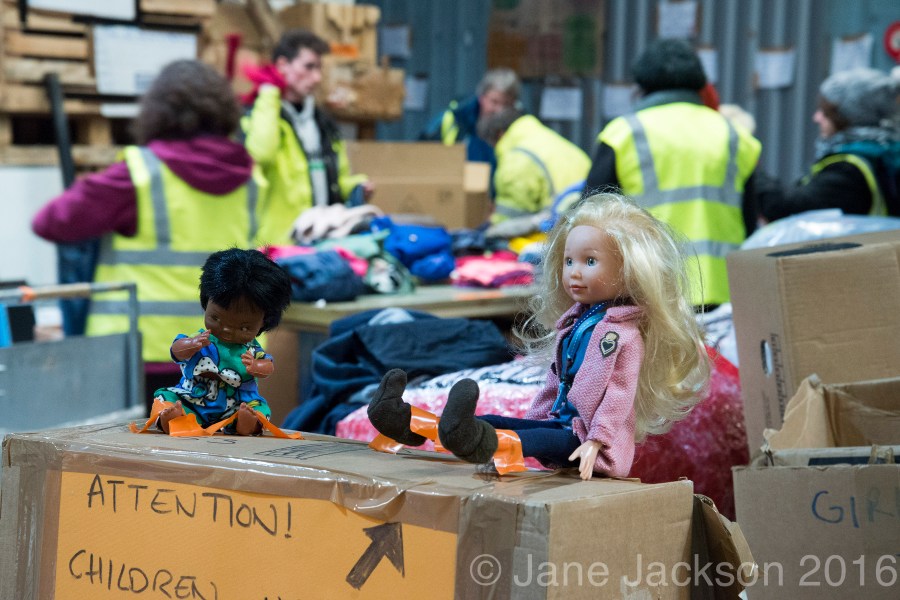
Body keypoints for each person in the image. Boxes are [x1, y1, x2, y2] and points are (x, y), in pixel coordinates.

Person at [368, 193, 710, 480]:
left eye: (590, 261)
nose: (574, 272)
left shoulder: (623, 336)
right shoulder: (575, 322)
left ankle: (470, 437)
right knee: (494, 423)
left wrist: (598, 441)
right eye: (569, 261)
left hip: (583, 439)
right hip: (558, 424)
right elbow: (555, 381)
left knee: (518, 437)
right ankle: (410, 422)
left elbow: (619, 395)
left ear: (630, 270)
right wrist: (534, 418)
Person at [31, 60, 284, 398]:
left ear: (157, 113)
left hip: (137, 352)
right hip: (224, 353)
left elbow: (52, 221)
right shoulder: (250, 178)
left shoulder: (140, 174)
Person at [585, 39, 762, 307]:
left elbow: (590, 217)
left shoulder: (624, 133)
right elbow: (749, 220)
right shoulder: (734, 136)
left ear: (642, 84)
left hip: (652, 292)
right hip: (727, 294)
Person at [154, 248, 292, 435]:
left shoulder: (252, 350)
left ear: (264, 323)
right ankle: (173, 418)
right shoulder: (200, 338)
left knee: (259, 408)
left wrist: (255, 366)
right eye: (216, 318)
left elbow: (268, 366)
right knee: (165, 396)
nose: (227, 330)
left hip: (237, 404)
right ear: (206, 303)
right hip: (193, 398)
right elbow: (176, 350)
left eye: (244, 328)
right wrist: (191, 345)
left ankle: (246, 423)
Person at [241, 29, 372, 220]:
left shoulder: (323, 123)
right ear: (283, 65)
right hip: (280, 237)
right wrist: (269, 92)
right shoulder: (259, 116)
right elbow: (262, 155)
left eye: (319, 68)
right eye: (309, 67)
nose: (317, 78)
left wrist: (356, 187)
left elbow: (336, 179)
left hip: (322, 232)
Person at [758, 68, 900, 221]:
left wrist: (751, 163)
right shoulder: (885, 154)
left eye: (826, 113)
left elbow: (784, 209)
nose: (816, 118)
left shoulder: (849, 171)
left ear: (849, 117)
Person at [478, 107, 591, 228]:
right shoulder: (548, 138)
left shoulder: (516, 157)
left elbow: (510, 218)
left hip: (558, 227)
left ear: (500, 134)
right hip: (588, 219)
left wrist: (491, 226)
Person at [419, 67, 521, 169]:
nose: (500, 110)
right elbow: (421, 155)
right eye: (494, 102)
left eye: (507, 104)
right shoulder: (455, 118)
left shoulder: (519, 126)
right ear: (481, 97)